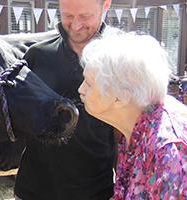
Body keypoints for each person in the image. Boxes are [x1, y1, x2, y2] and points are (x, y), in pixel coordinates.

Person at [14, 0, 118, 199]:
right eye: (68, 16)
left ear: (106, 5)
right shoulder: (37, 55)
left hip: (95, 193)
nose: (76, 25)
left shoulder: (119, 61)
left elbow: (124, 137)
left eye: (85, 17)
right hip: (32, 191)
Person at [78, 32, 187, 199]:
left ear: (120, 97)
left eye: (89, 84)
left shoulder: (167, 150)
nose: (81, 89)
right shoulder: (135, 126)